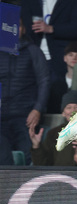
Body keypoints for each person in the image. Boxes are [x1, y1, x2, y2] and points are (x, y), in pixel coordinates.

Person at [20, 0, 77, 111]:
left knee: (58, 98)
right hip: (35, 55)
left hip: (60, 57)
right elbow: (24, 25)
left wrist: (52, 29)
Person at [0, 23, 50, 165]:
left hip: (26, 117)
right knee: (3, 160)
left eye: (19, 25)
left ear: (23, 29)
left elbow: (44, 81)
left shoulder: (32, 51)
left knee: (29, 160)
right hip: (1, 117)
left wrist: (38, 109)